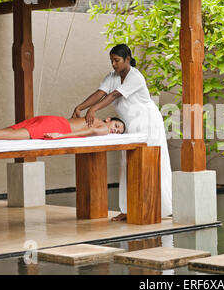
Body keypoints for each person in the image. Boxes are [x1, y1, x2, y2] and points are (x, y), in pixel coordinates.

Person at [72, 43, 172, 221]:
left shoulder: (136, 77)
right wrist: (80, 107)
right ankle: (127, 209)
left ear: (127, 59)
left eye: (116, 60)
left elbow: (113, 96)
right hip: (131, 125)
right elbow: (101, 92)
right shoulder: (112, 76)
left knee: (152, 164)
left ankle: (159, 207)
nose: (113, 64)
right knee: (126, 164)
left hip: (148, 124)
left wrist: (93, 110)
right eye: (111, 60)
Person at [0, 115, 125, 140]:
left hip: (52, 119)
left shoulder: (92, 119)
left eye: (118, 132)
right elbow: (88, 131)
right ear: (108, 119)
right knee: (11, 135)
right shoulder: (103, 128)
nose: (115, 130)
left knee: (9, 131)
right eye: (116, 125)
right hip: (57, 126)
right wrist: (61, 135)